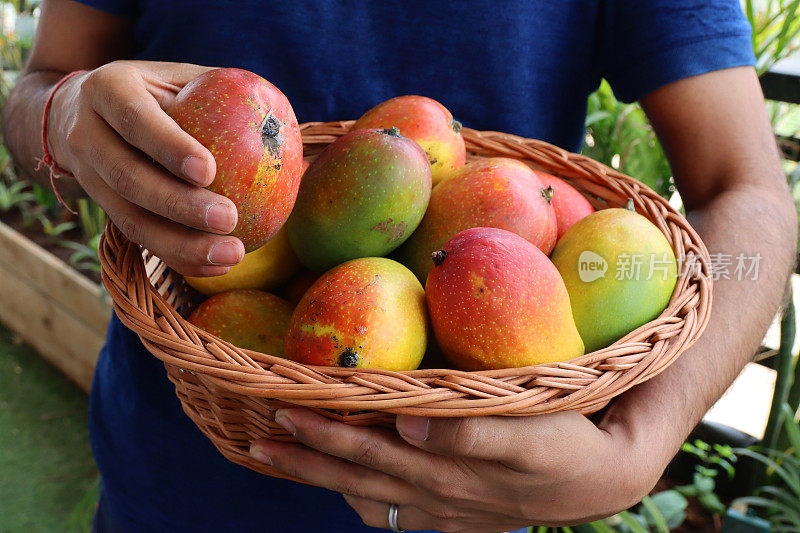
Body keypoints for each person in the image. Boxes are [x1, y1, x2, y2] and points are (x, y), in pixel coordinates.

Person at [3, 1, 796, 532]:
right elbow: (37, 86)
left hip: (468, 490)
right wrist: (60, 113)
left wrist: (636, 448)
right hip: (174, 475)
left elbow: (750, 193)